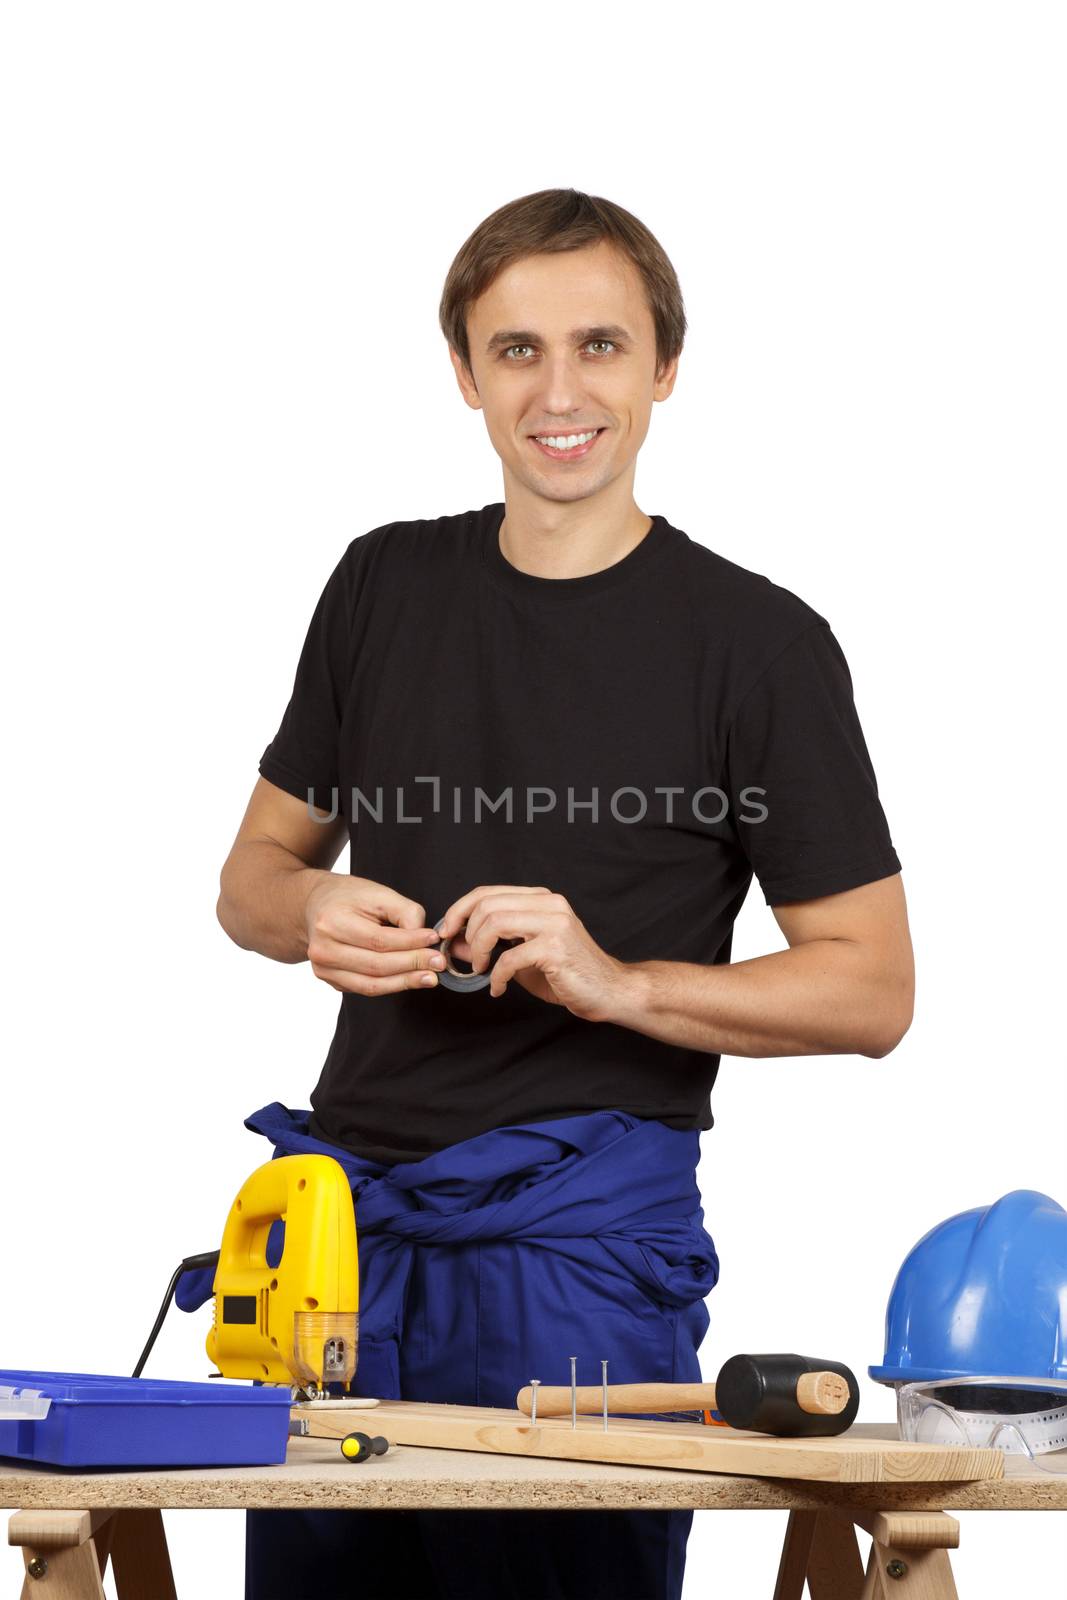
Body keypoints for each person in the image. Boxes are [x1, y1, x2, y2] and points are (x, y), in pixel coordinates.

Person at [214, 188, 915, 1600]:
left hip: (581, 1251)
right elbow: (250, 878)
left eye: (600, 345)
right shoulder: (381, 585)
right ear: (466, 376)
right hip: (341, 1240)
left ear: (663, 367)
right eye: (516, 350)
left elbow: (874, 986)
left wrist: (620, 981)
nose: (560, 391)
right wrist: (306, 916)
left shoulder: (758, 646)